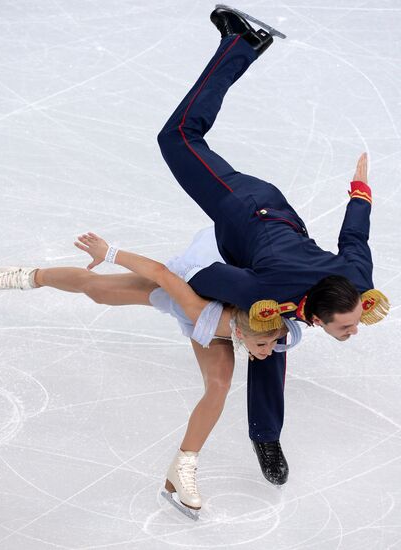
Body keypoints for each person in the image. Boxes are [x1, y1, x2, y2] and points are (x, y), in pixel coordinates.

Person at [156, 6, 390, 486]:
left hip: (279, 227)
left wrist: (360, 193)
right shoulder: (268, 288)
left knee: (273, 340)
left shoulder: (356, 285)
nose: (356, 328)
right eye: (346, 326)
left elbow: (354, 237)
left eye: (350, 323)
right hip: (245, 210)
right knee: (178, 136)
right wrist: (246, 310)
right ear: (320, 317)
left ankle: (265, 436)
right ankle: (241, 42)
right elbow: (202, 276)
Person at [0, 226, 302, 517]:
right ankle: (29, 276)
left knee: (218, 386)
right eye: (264, 345)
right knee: (97, 290)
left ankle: (183, 466)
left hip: (224, 309)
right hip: (188, 289)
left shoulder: (269, 319)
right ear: (241, 334)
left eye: (273, 343)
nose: (269, 351)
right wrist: (108, 252)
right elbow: (160, 273)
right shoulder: (197, 307)